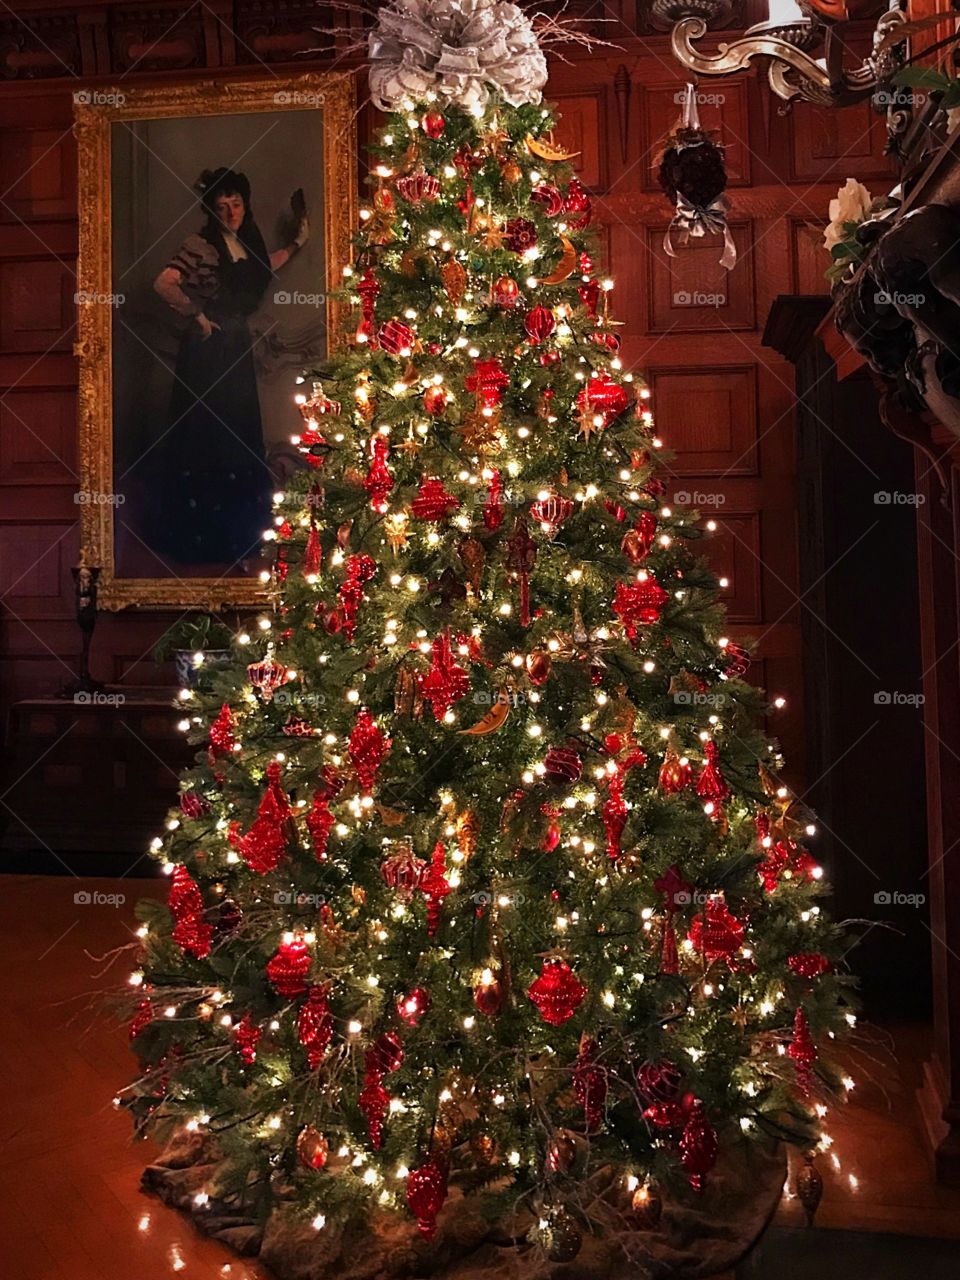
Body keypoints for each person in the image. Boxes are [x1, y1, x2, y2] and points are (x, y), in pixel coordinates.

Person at [151, 167, 308, 565]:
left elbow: (262, 268)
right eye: (221, 206)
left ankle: (240, 539)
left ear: (244, 204)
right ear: (212, 210)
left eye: (236, 204)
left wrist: (296, 244)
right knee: (207, 437)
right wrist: (197, 316)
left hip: (235, 346)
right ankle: (202, 542)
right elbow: (164, 283)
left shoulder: (245, 242)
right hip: (207, 352)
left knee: (237, 433)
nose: (230, 212)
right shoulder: (200, 244)